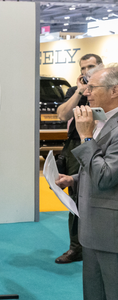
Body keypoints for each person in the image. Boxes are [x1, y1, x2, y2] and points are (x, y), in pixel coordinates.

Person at [55, 64, 118, 300]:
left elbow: (107, 176)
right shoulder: (106, 120)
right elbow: (102, 170)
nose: (87, 92)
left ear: (115, 90)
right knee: (96, 296)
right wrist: (74, 178)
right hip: (95, 225)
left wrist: (86, 137)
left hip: (112, 230)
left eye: (93, 87)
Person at [55, 53, 103, 264]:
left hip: (102, 142)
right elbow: (62, 115)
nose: (85, 71)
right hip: (75, 144)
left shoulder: (105, 87)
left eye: (90, 66)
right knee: (76, 196)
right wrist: (79, 92)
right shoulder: (76, 91)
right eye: (82, 68)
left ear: (100, 66)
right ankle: (76, 247)